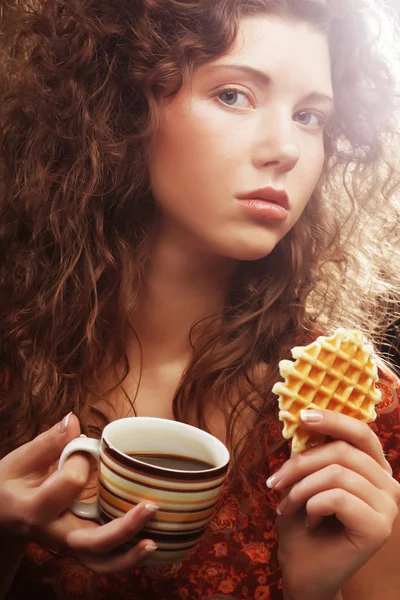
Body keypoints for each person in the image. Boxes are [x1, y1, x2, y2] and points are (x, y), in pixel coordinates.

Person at [0, 0, 399, 598]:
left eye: (310, 116)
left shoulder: (358, 419)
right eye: (234, 95)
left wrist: (314, 591)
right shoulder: (10, 355)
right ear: (122, 108)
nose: (285, 149)